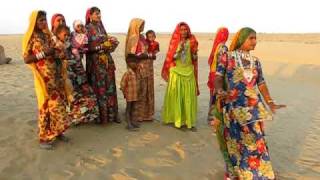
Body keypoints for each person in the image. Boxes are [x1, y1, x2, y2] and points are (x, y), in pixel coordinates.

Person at [214, 27, 286, 179]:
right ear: (242, 39)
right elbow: (218, 77)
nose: (255, 42)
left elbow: (261, 84)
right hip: (233, 107)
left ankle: (259, 173)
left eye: (256, 38)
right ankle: (237, 173)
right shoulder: (227, 57)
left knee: (256, 141)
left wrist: (270, 102)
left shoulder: (256, 62)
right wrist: (220, 90)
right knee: (234, 141)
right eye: (251, 38)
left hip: (253, 108)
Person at [22, 10, 70, 149]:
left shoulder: (48, 35)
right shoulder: (31, 37)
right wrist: (44, 53)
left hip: (55, 76)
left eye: (44, 19)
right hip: (43, 79)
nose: (43, 22)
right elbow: (26, 58)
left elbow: (54, 51)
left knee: (59, 104)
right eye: (40, 20)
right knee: (46, 107)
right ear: (34, 22)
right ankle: (44, 138)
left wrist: (58, 54)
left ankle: (58, 132)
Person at [53, 25, 99, 125]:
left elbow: (75, 59)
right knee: (68, 99)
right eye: (64, 35)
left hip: (75, 75)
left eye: (68, 35)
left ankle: (77, 118)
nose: (66, 37)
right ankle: (69, 120)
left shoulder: (69, 45)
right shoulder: (55, 45)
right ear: (57, 34)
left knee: (82, 97)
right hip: (64, 77)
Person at [161, 22, 199, 131]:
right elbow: (172, 57)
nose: (184, 31)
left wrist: (194, 53)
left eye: (185, 29)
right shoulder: (175, 41)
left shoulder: (192, 41)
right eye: (181, 29)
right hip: (176, 72)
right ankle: (177, 120)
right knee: (177, 96)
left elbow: (194, 58)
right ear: (178, 31)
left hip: (188, 71)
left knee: (188, 97)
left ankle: (188, 121)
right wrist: (179, 49)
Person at [85, 7, 120, 124]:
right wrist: (100, 47)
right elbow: (85, 48)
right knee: (99, 89)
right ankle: (101, 117)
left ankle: (112, 115)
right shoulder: (87, 29)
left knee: (110, 86)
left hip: (106, 62)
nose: (99, 16)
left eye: (100, 14)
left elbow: (106, 42)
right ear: (90, 15)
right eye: (96, 14)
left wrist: (111, 44)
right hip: (95, 64)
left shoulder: (101, 27)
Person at [125, 18, 156, 122]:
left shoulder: (142, 37)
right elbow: (131, 55)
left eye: (143, 24)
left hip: (147, 67)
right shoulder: (133, 38)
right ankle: (136, 115)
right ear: (136, 26)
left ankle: (145, 114)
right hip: (139, 68)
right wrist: (146, 55)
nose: (143, 27)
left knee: (146, 90)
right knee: (138, 91)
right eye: (141, 25)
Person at [120, 62, 140, 131]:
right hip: (129, 95)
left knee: (133, 109)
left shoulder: (135, 73)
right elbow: (122, 84)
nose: (136, 64)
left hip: (134, 95)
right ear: (129, 64)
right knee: (128, 109)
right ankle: (128, 124)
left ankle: (132, 122)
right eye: (134, 63)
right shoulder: (127, 73)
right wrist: (124, 93)